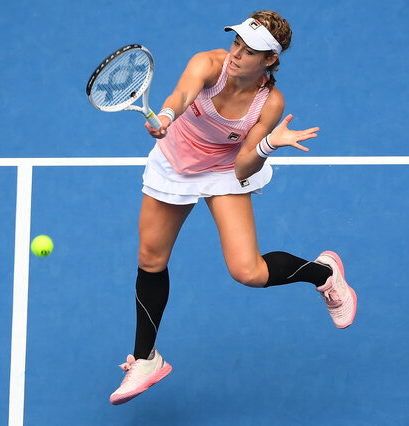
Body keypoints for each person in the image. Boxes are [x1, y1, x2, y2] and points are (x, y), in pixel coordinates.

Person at [109, 10, 357, 405]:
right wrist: (169, 116)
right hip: (175, 162)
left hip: (224, 169)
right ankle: (145, 360)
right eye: (237, 43)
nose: (237, 54)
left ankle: (324, 273)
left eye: (250, 50)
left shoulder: (269, 103)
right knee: (150, 259)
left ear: (270, 60)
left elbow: (244, 165)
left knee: (249, 272)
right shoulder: (208, 64)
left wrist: (270, 144)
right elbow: (181, 96)